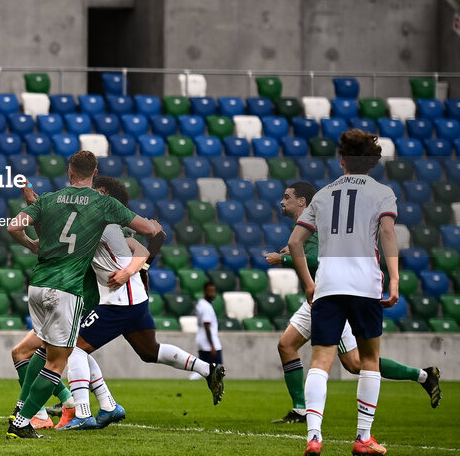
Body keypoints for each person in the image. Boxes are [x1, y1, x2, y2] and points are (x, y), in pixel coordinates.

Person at [5, 151, 163, 439]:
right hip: (67, 290)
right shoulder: (104, 203)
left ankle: (34, 412)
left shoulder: (51, 198)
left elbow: (14, 225)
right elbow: (148, 230)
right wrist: (153, 227)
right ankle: (23, 421)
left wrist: (30, 245)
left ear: (69, 171)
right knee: (58, 360)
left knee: (41, 352)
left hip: (37, 286)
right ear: (96, 171)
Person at [266, 182, 441, 424]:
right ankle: (300, 410)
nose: (282, 202)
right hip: (319, 297)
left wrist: (284, 259)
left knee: (355, 363)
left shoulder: (314, 226)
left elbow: (321, 261)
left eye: (287, 197)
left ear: (302, 202)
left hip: (333, 297)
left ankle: (422, 375)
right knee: (286, 345)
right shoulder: (305, 228)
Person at [60, 176, 224, 431]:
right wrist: (143, 267)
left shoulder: (101, 222)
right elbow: (157, 233)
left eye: (92, 191)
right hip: (135, 299)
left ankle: (84, 411)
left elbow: (152, 235)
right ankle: (207, 368)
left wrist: (139, 266)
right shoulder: (114, 222)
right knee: (150, 352)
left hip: (118, 301)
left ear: (102, 193)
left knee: (74, 347)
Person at [290, 129, 399, 456]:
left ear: (342, 160)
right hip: (365, 285)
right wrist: (394, 279)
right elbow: (388, 231)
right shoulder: (382, 193)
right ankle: (363, 437)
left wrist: (309, 283)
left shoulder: (323, 195)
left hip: (328, 285)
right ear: (373, 162)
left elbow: (295, 242)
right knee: (369, 360)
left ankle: (314, 437)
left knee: (320, 362)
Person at [195, 282, 222, 369]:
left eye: (213, 291)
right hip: (208, 343)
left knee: (206, 368)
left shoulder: (201, 304)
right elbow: (207, 326)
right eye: (210, 291)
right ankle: (191, 380)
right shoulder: (206, 307)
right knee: (213, 368)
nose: (212, 294)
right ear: (205, 291)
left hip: (203, 341)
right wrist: (212, 346)